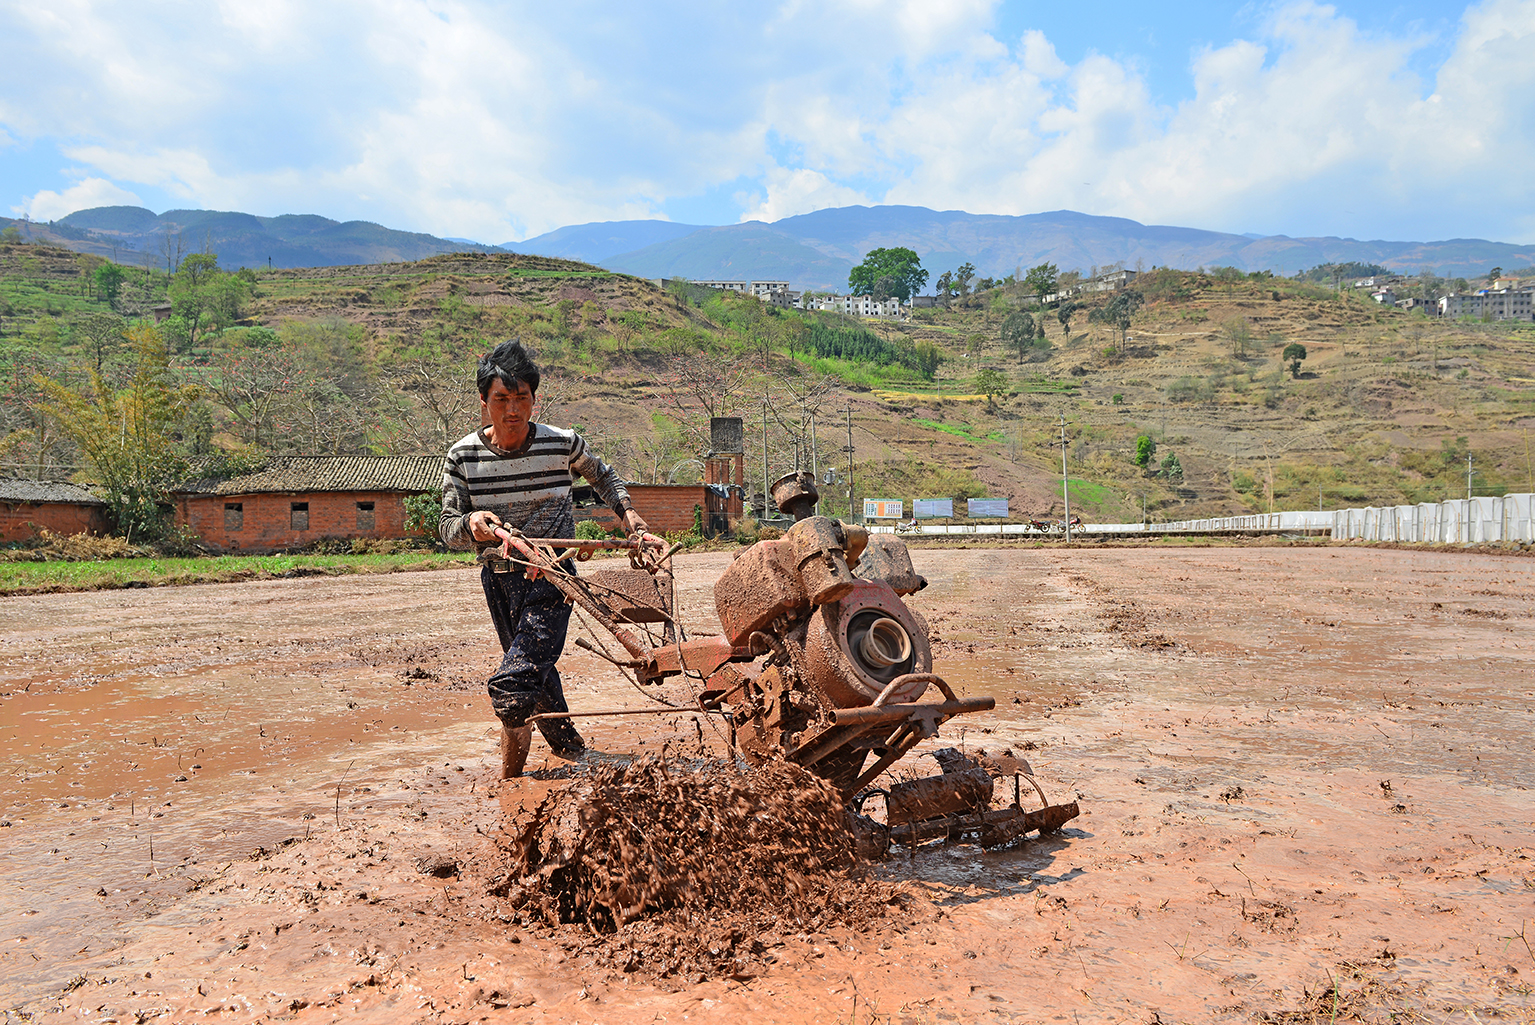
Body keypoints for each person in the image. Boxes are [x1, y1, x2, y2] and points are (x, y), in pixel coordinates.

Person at [439, 340, 654, 778]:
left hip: (553, 577)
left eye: (522, 399)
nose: (512, 410)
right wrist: (472, 524)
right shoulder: (463, 457)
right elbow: (447, 526)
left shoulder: (561, 444)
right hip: (499, 577)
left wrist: (629, 515)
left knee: (515, 682)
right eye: (502, 399)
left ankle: (511, 787)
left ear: (534, 400)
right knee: (535, 665)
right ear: (484, 402)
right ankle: (571, 749)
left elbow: (603, 476)